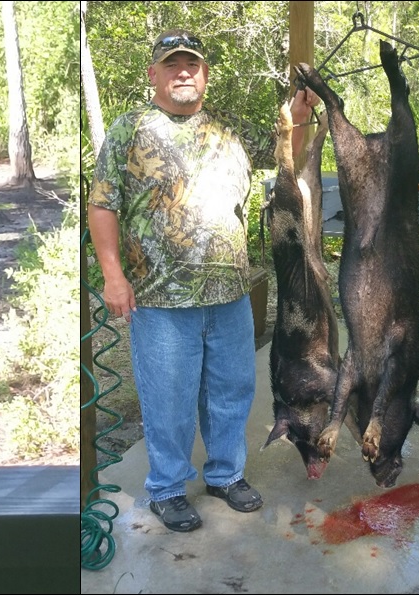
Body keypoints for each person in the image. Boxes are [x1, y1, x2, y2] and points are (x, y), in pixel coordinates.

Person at [87, 29, 315, 533]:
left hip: (231, 293)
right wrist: (113, 275)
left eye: (192, 65)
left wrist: (296, 121)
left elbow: (287, 154)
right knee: (168, 397)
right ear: (154, 75)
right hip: (161, 300)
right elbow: (102, 205)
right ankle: (167, 487)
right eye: (172, 65)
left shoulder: (230, 127)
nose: (183, 73)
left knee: (231, 390)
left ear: (205, 75)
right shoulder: (129, 131)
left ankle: (225, 475)